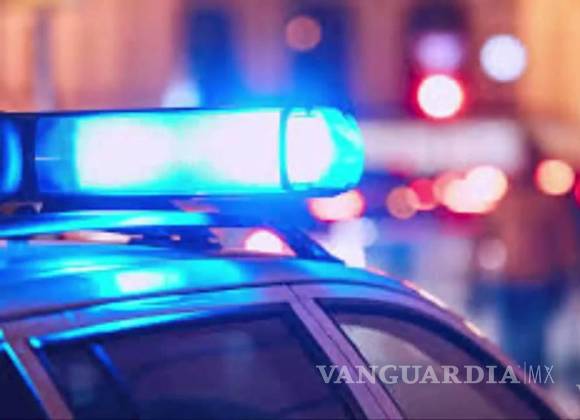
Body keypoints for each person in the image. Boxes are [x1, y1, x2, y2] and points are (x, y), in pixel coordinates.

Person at [476, 135, 577, 371]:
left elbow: (566, 247)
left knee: (531, 346)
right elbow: (482, 239)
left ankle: (530, 390)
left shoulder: (548, 205)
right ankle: (514, 388)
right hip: (509, 282)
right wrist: (475, 277)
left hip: (538, 283)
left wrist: (567, 279)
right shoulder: (506, 203)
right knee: (509, 346)